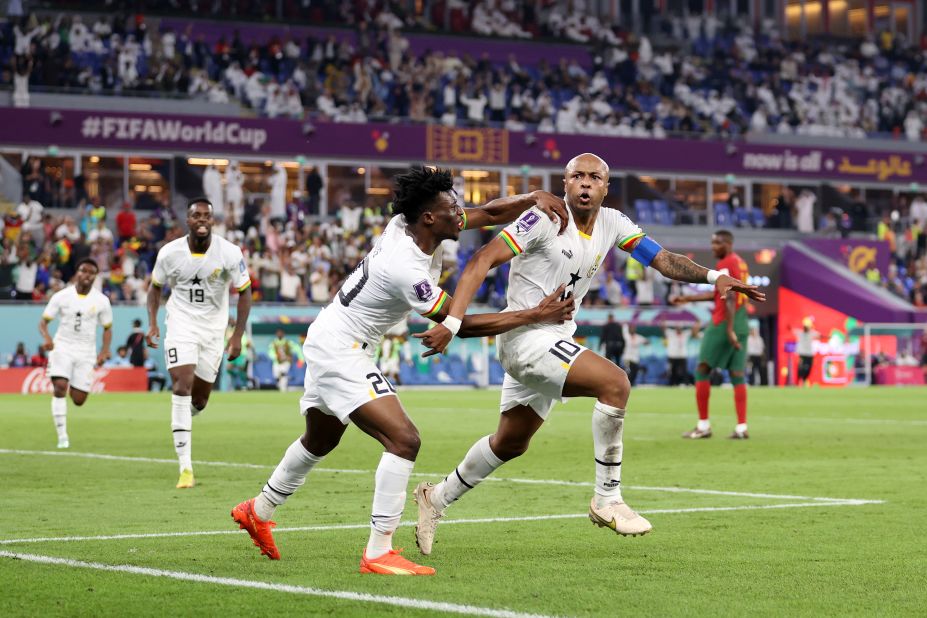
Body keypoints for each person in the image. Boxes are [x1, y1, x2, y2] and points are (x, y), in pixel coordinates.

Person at [412, 153, 764, 556]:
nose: (584, 183)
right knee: (615, 383)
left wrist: (715, 276)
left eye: (594, 177)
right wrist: (454, 323)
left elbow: (663, 260)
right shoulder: (544, 219)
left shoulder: (613, 222)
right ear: (564, 182)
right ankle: (607, 498)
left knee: (510, 442)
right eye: (576, 175)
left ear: (605, 187)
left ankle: (435, 498)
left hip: (555, 337)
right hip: (523, 337)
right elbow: (481, 260)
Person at [230, 167, 575, 576]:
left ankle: (259, 509)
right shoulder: (406, 268)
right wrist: (536, 314)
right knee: (404, 439)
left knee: (320, 438)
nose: (460, 212)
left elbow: (486, 213)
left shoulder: (413, 225)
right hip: (340, 348)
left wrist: (531, 198)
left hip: (333, 336)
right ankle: (379, 550)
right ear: (430, 217)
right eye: (452, 207)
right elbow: (458, 323)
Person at [146, 197, 252, 489]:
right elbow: (154, 288)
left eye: (207, 215)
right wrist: (153, 322)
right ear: (188, 220)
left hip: (212, 331)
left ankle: (180, 418)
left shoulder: (229, 253)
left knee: (199, 400)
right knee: (181, 383)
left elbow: (245, 292)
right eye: (196, 215)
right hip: (180, 324)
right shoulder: (169, 253)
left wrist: (237, 335)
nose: (202, 220)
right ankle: (185, 468)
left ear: (213, 220)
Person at [672, 230, 752, 439]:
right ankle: (742, 428)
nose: (713, 246)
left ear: (728, 243)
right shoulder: (740, 263)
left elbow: (730, 297)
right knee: (737, 374)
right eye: (712, 243)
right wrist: (688, 298)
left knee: (701, 370)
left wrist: (729, 330)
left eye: (717, 243)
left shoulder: (725, 264)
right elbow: (719, 293)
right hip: (741, 322)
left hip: (723, 323)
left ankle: (703, 425)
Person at [38, 258, 113, 449]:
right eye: (83, 271)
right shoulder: (61, 296)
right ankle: (62, 436)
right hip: (62, 347)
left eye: (91, 272)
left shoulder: (102, 301)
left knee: (79, 400)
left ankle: (72, 381)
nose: (87, 275)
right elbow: (43, 322)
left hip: (86, 352)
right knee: (60, 387)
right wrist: (47, 338)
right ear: (77, 273)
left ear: (95, 276)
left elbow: (107, 328)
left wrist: (105, 351)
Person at [793, 320, 819, 387]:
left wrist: (828, 337)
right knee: (800, 368)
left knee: (808, 368)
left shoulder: (811, 333)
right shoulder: (800, 333)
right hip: (802, 354)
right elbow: (791, 329)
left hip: (809, 354)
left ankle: (804, 380)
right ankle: (798, 381)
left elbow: (819, 335)